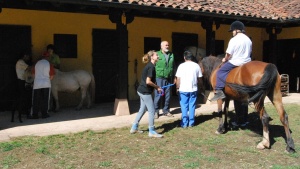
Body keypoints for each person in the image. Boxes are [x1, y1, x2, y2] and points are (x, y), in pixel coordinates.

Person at [210, 20, 252, 101]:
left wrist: (225, 59)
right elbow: (249, 52)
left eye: (232, 31)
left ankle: (219, 91)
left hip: (236, 62)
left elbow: (229, 54)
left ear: (236, 30)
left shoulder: (234, 39)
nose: (232, 32)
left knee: (220, 71)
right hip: (247, 63)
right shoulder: (248, 40)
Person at [130, 50, 163, 138]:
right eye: (157, 55)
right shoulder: (151, 67)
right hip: (145, 92)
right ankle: (151, 131)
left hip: (141, 90)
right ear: (152, 57)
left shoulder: (150, 66)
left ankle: (134, 127)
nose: (158, 56)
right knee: (152, 111)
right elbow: (148, 82)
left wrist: (156, 86)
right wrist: (157, 87)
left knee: (142, 109)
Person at [175, 51, 203, 128]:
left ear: (184, 57)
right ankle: (191, 122)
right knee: (192, 105)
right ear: (192, 57)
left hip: (183, 89)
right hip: (193, 89)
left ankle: (184, 123)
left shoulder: (181, 66)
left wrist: (177, 87)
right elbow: (200, 78)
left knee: (184, 106)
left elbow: (178, 78)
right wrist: (201, 87)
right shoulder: (196, 66)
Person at [28, 52, 55, 119]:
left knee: (35, 100)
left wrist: (37, 79)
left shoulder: (37, 64)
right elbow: (52, 76)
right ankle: (44, 114)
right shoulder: (49, 64)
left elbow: (33, 74)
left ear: (42, 57)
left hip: (37, 84)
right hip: (46, 84)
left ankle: (35, 115)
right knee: (45, 99)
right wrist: (47, 80)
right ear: (48, 57)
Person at [154, 41, 175, 119]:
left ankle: (166, 110)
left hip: (168, 78)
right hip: (159, 77)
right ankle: (156, 112)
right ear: (161, 46)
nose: (167, 46)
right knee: (158, 95)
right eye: (166, 45)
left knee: (168, 95)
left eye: (168, 45)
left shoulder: (171, 54)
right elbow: (153, 65)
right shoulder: (157, 54)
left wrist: (174, 77)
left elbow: (173, 66)